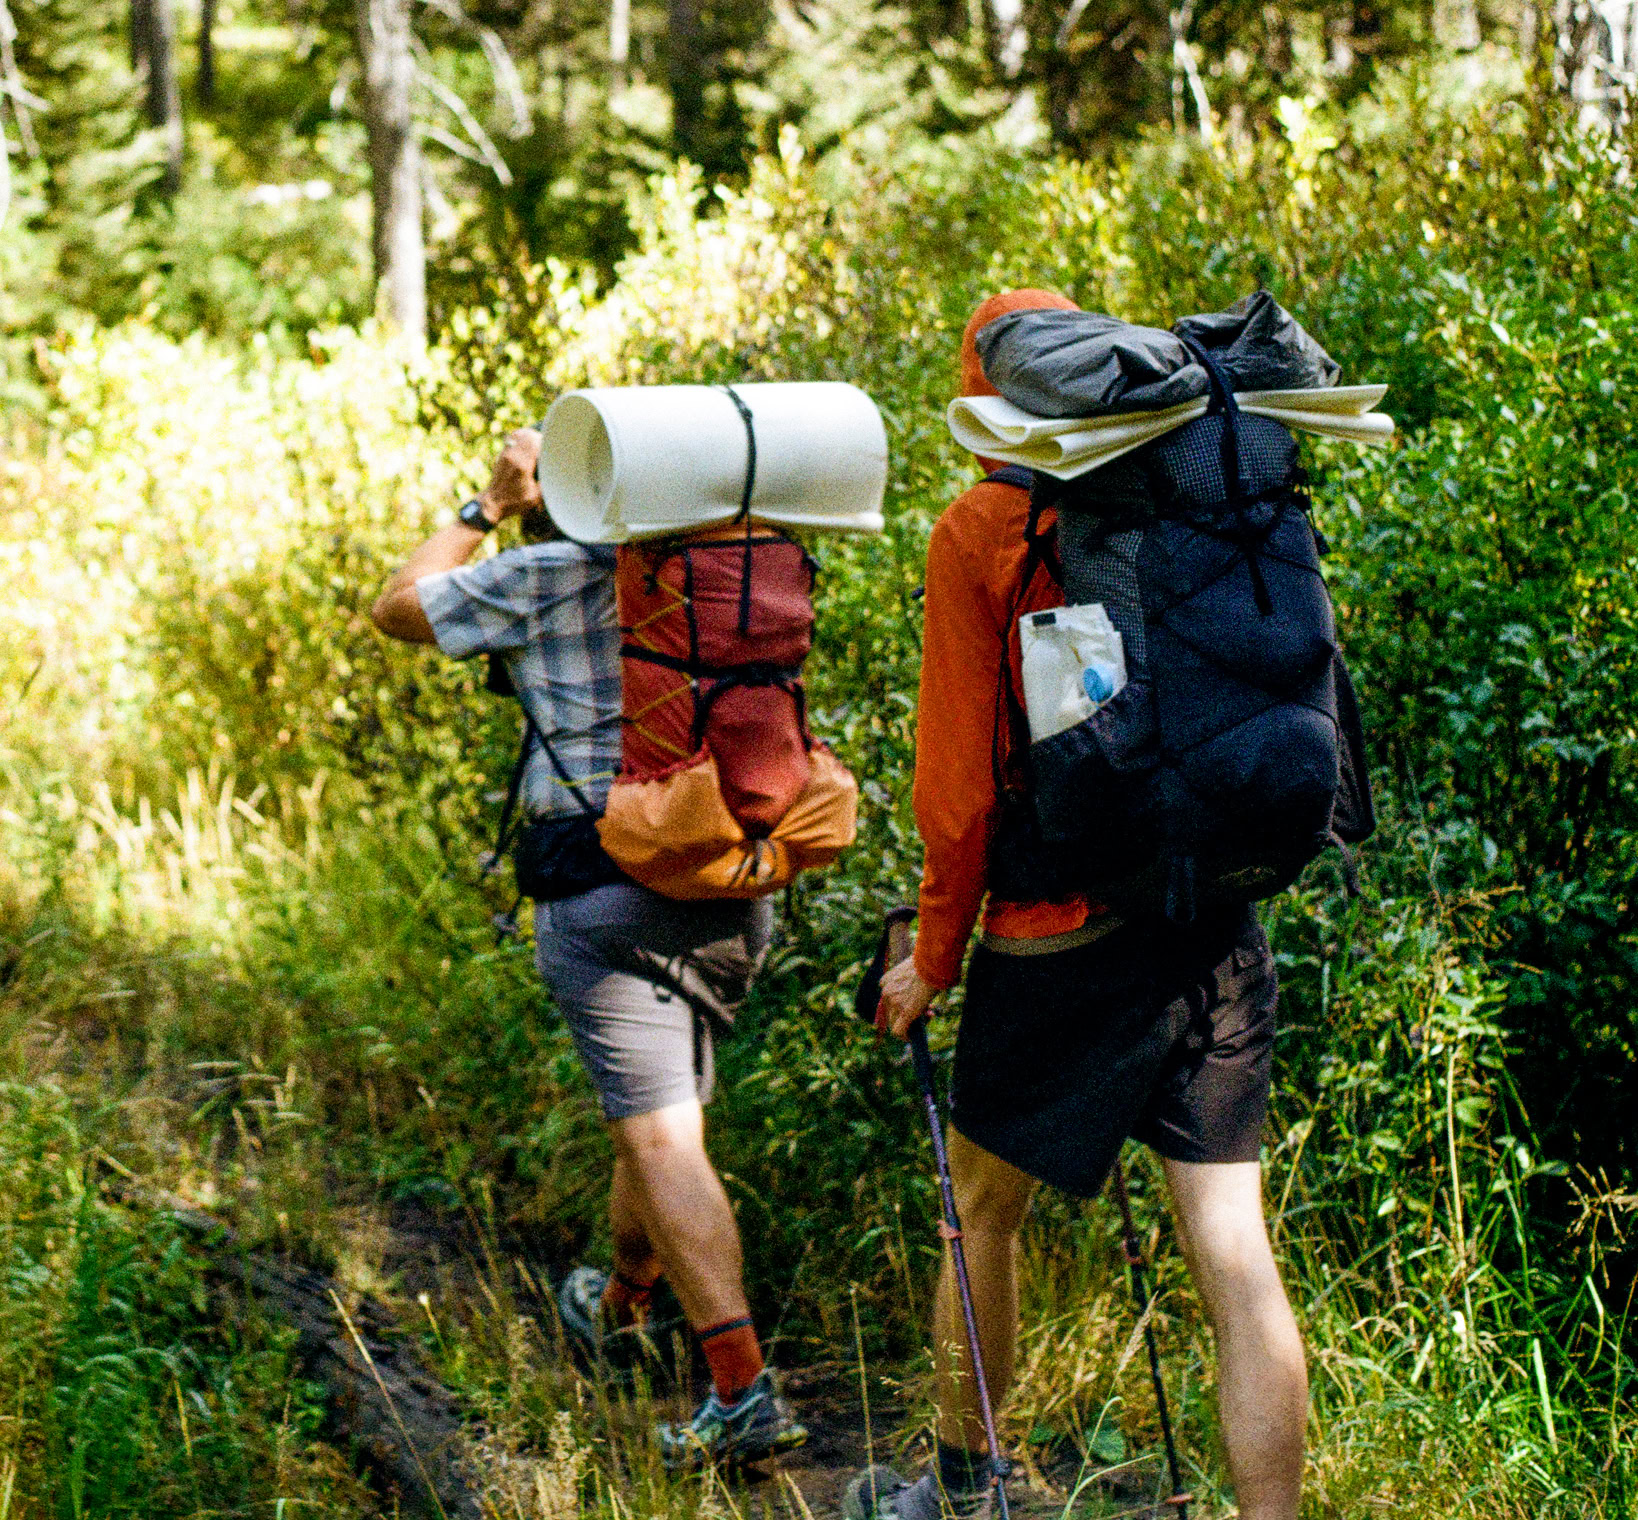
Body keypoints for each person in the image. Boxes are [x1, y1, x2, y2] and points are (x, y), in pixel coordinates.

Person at [848, 290, 1309, 1520]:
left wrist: (932, 956)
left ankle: (961, 1485)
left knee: (980, 1212)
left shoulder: (984, 526)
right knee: (1235, 1252)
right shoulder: (1201, 494)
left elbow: (957, 792)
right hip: (1213, 920)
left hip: (1060, 935)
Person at [371, 427, 806, 1468]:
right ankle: (622, 1304)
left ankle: (743, 1394)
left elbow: (398, 606)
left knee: (662, 1142)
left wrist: (488, 505)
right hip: (735, 878)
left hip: (607, 890)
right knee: (662, 1120)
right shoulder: (734, 572)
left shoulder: (548, 574)